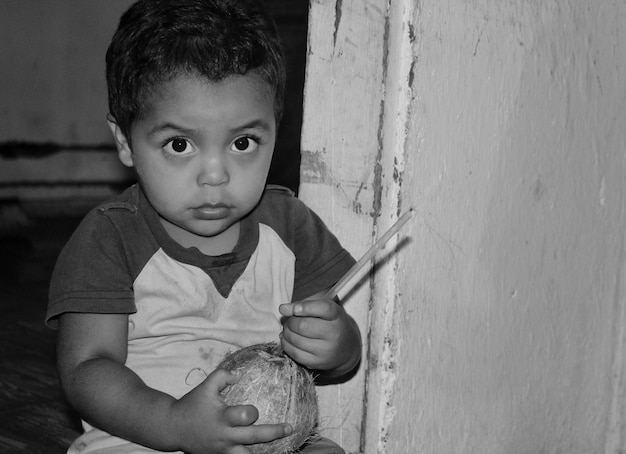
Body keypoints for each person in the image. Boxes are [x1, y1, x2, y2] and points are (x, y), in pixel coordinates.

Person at [45, 1, 362, 453]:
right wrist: (174, 423)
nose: (215, 175)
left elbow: (340, 356)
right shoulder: (109, 238)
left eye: (242, 142)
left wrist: (339, 345)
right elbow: (86, 369)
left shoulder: (291, 227)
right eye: (180, 144)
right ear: (125, 141)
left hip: (265, 442)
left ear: (276, 131)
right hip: (144, 441)